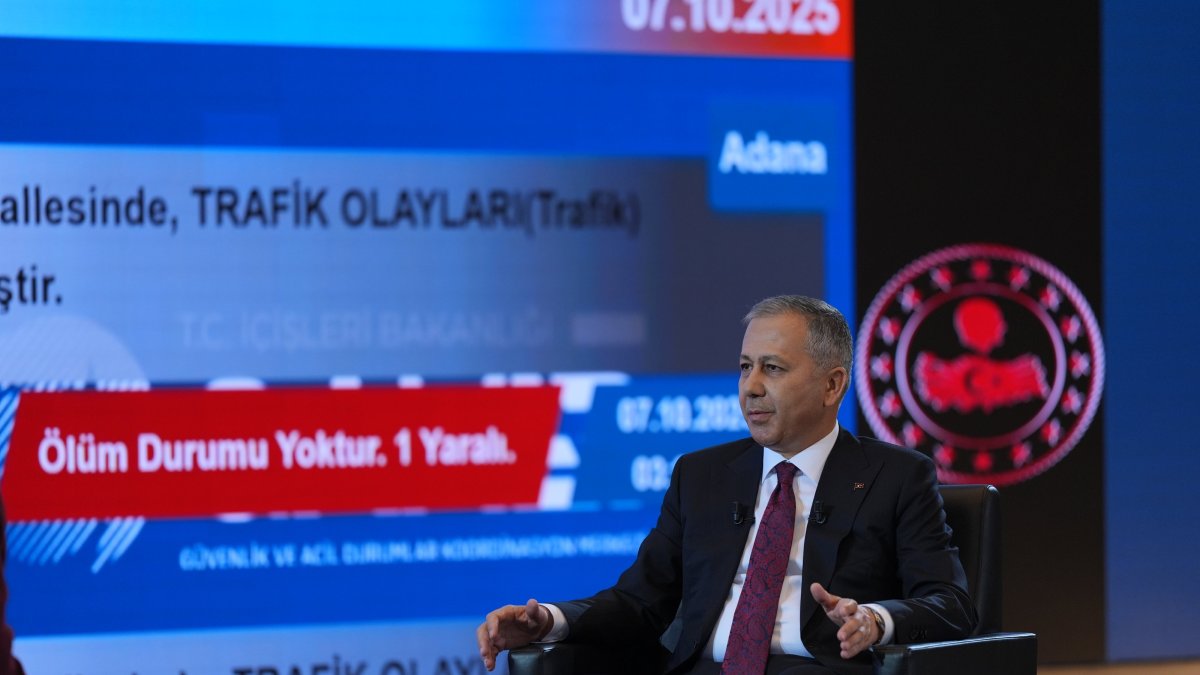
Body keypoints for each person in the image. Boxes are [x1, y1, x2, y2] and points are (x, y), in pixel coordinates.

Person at [477, 296, 976, 674]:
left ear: (833, 385)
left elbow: (951, 605)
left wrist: (874, 619)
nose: (751, 386)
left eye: (773, 369)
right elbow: (640, 602)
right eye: (745, 367)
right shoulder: (702, 475)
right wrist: (549, 619)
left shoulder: (899, 476)